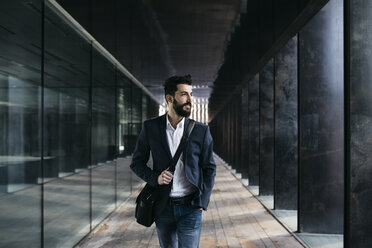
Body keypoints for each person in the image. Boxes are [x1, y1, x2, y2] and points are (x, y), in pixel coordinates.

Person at [130, 75, 216, 248]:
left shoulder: (201, 131)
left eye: (191, 94)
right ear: (170, 98)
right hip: (163, 206)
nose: (190, 99)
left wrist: (202, 200)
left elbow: (209, 168)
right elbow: (136, 163)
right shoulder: (151, 128)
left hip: (191, 207)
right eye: (184, 94)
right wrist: (156, 178)